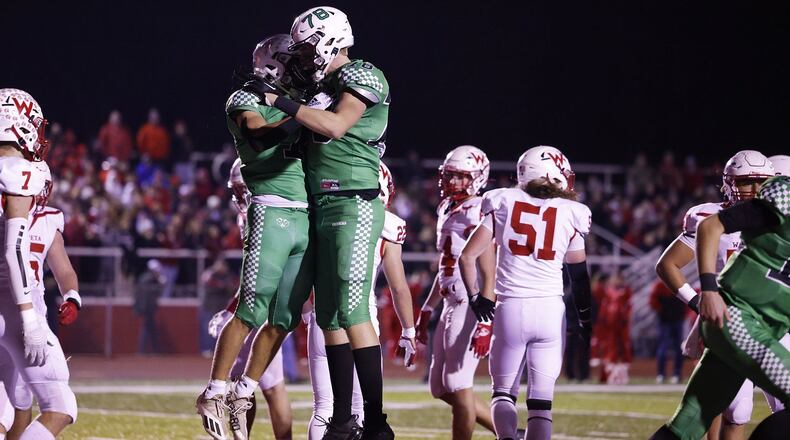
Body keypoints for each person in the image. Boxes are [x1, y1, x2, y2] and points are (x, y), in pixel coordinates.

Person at [254, 7, 393, 438]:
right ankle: (341, 419)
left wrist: (280, 100)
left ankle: (376, 421)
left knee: (352, 312)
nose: (304, 56)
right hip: (321, 203)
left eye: (308, 45)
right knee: (328, 317)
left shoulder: (365, 75)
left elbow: (333, 125)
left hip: (354, 201)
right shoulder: (318, 83)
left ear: (333, 39)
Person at [196, 35, 318, 440]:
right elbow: (260, 131)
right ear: (272, 64)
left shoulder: (296, 97)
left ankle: (244, 390)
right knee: (251, 310)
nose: (300, 68)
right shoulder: (244, 98)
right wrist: (301, 113)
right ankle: (214, 391)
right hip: (272, 205)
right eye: (293, 61)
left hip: (305, 215)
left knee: (284, 318)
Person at [459, 146, 593, 440]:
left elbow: (467, 256)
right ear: (552, 174)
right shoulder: (572, 212)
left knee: (503, 394)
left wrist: (475, 298)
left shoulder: (503, 201)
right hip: (550, 310)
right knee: (541, 404)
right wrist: (585, 319)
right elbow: (579, 277)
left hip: (511, 309)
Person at [650, 175, 790, 439]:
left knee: (686, 425)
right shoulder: (784, 200)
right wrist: (708, 291)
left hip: (756, 325)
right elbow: (710, 227)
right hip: (740, 319)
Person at [304, 162, 416, 440]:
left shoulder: (322, 211)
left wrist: (305, 309)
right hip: (362, 323)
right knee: (363, 413)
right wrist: (409, 330)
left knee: (324, 409)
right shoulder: (386, 225)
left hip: (324, 319)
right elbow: (399, 287)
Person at [0, 88, 78, 439]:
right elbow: (14, 250)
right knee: (61, 407)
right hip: (12, 303)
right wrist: (29, 316)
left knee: (3, 409)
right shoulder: (19, 171)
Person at [203, 158, 294, 440]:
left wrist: (234, 308)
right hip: (265, 304)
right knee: (254, 384)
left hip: (270, 308)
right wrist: (231, 306)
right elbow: (254, 278)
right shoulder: (251, 214)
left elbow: (268, 275)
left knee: (268, 385)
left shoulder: (266, 213)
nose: (239, 195)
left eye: (242, 188)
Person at [414, 145, 495, 440]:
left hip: (470, 304)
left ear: (477, 177)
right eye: (450, 175)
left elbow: (490, 269)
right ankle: (509, 431)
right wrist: (426, 309)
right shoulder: (446, 207)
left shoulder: (479, 209)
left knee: (457, 382)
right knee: (440, 387)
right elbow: (445, 267)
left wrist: (486, 321)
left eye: (461, 177)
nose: (453, 182)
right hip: (450, 301)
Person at [3, 177, 82, 438]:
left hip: (18, 317)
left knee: (10, 406)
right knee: (59, 405)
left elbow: (64, 270)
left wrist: (72, 296)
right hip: (24, 318)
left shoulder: (48, 220)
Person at [649, 280, 686, 384]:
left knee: (676, 348)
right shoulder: (660, 285)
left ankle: (675, 374)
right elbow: (653, 302)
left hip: (674, 320)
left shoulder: (679, 282)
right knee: (664, 347)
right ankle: (662, 374)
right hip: (666, 321)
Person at [135, 259, 165, 354]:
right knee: (148, 328)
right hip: (147, 307)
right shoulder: (150, 279)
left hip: (147, 307)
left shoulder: (145, 278)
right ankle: (146, 350)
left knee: (149, 328)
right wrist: (161, 284)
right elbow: (152, 293)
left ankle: (150, 350)